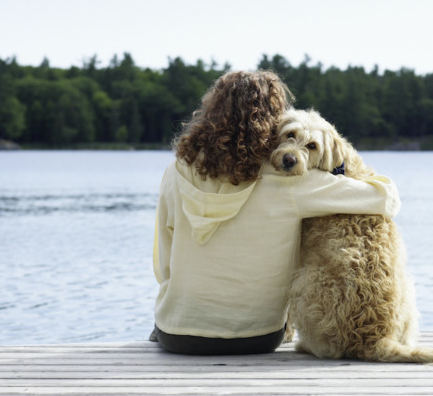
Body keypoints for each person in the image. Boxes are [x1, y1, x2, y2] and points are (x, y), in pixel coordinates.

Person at [150, 70, 400, 355]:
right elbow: (386, 199)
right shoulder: (291, 181)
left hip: (177, 334)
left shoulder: (175, 171)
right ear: (271, 123)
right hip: (258, 337)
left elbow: (163, 264)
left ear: (210, 112)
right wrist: (343, 162)